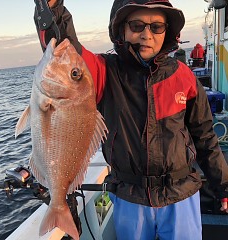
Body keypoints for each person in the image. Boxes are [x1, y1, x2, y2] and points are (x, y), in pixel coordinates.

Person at [34, 1, 228, 239]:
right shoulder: (105, 70)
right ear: (121, 29)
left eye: (156, 27)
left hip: (181, 194)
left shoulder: (184, 76)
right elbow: (65, 50)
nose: (147, 35)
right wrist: (52, 7)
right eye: (136, 25)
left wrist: (223, 187)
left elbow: (205, 137)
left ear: (167, 31)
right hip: (129, 197)